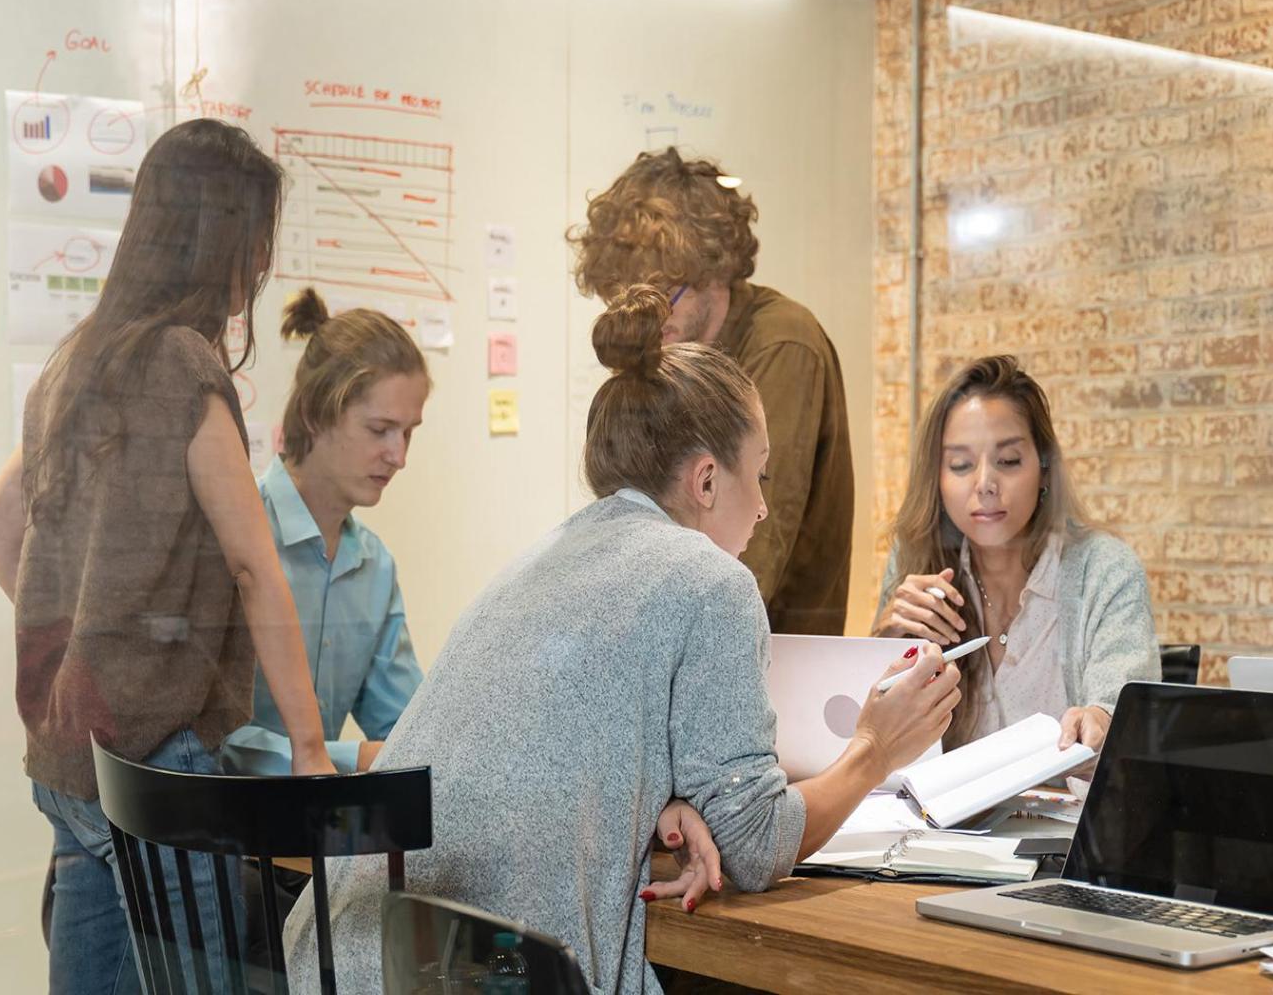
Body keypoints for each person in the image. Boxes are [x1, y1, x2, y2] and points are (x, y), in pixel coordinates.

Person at [282, 285, 960, 994]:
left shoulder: (543, 556)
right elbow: (757, 845)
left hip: (345, 954)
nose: (762, 507)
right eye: (757, 476)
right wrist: (875, 749)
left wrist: (664, 807)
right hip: (481, 971)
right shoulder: (711, 581)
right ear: (705, 479)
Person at [0, 118, 333, 995]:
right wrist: (312, 749)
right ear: (220, 237)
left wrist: (86, 641)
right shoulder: (182, 364)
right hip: (156, 770)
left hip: (68, 757)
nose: (261, 265)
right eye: (255, 239)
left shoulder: (76, 361)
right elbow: (254, 566)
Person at [569, 148, 854, 636]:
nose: (651, 317)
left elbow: (755, 544)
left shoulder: (784, 343)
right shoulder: (678, 354)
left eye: (667, 295)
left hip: (771, 646)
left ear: (713, 270)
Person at [872, 355, 1160, 753]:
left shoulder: (1104, 570)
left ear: (1043, 467)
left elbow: (1127, 725)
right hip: (947, 816)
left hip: (1070, 815)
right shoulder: (917, 563)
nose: (985, 484)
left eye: (1008, 461)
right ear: (936, 479)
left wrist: (1102, 721)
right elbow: (873, 749)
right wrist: (885, 644)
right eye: (960, 465)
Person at [221, 288, 428, 778]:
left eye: (409, 432)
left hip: (315, 837)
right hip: (227, 839)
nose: (399, 457)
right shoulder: (237, 538)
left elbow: (409, 727)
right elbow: (211, 742)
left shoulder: (374, 566)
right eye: (380, 430)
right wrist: (348, 757)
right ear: (316, 416)